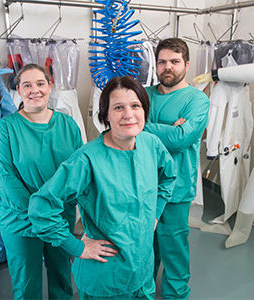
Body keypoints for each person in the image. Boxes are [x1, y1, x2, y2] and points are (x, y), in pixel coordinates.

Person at [28, 76, 177, 299]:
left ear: (144, 110)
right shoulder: (87, 160)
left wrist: (154, 214)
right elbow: (41, 207)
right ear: (105, 114)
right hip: (106, 276)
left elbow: (168, 176)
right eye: (118, 107)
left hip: (142, 271)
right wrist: (77, 247)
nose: (128, 114)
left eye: (135, 105)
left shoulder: (150, 144)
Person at [0, 64, 83, 300]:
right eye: (27, 85)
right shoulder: (6, 129)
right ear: (18, 90)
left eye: (40, 84)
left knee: (62, 279)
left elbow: (79, 171)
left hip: (59, 216)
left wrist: (56, 212)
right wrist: (38, 212)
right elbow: (4, 178)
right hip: (21, 220)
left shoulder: (67, 125)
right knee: (26, 284)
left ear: (50, 86)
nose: (35, 90)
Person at [144, 38, 210, 299]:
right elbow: (127, 130)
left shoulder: (197, 99)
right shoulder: (144, 94)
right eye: (162, 62)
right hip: (144, 184)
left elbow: (182, 138)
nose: (167, 67)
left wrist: (144, 127)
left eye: (174, 61)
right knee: (145, 247)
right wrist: (170, 130)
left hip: (176, 187)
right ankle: (143, 290)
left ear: (187, 65)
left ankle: (176, 294)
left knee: (174, 247)